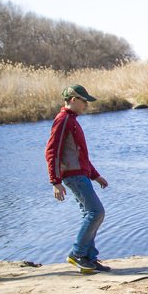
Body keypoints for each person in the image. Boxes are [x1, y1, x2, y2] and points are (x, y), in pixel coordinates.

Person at [45, 84, 110, 273]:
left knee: (90, 214)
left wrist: (96, 176)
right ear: (73, 100)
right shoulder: (63, 119)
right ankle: (77, 254)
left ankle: (89, 259)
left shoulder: (71, 119)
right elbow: (52, 151)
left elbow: (80, 155)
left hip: (80, 174)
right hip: (73, 176)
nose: (86, 106)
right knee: (96, 212)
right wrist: (55, 181)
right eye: (84, 101)